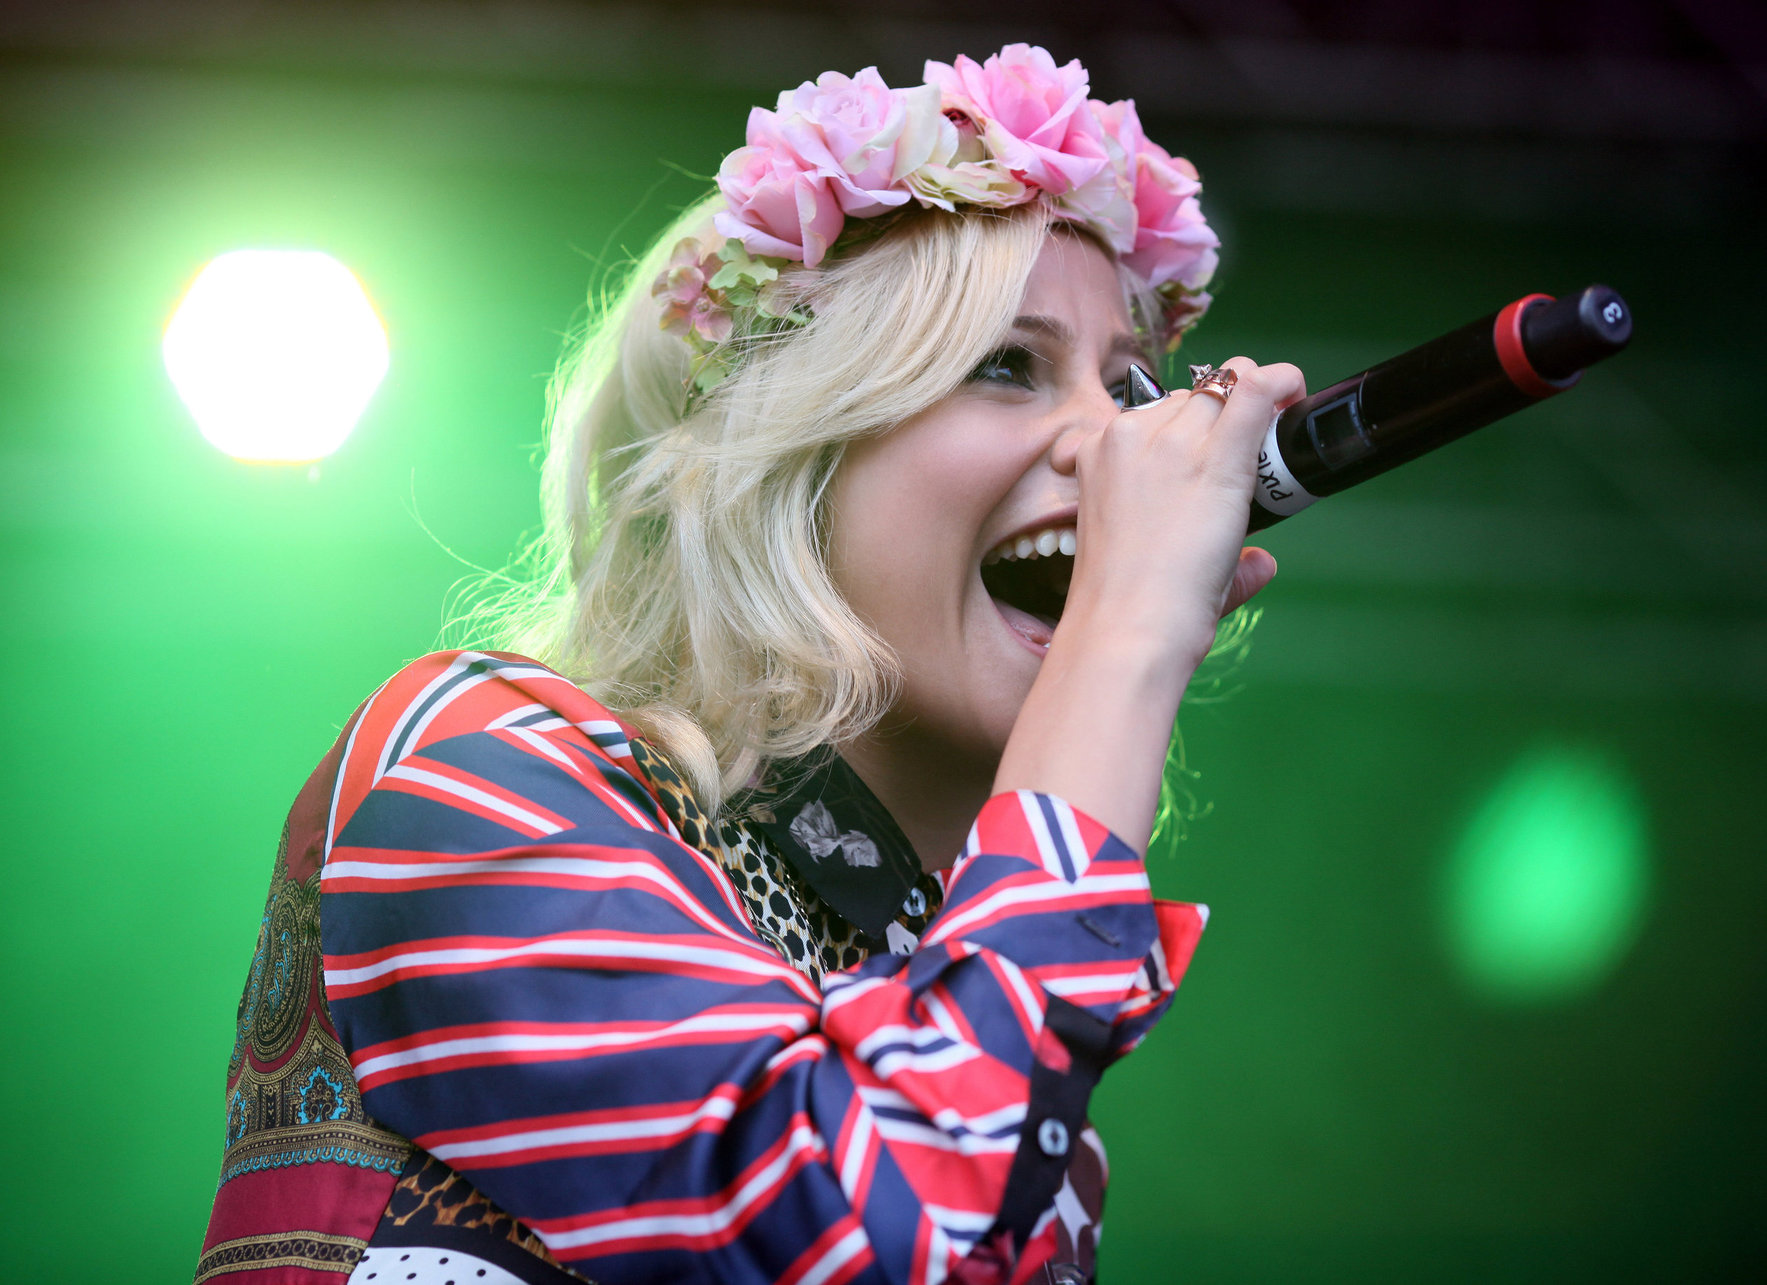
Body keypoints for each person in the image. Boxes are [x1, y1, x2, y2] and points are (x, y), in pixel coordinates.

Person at [194, 44, 1304, 1285]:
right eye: (1007, 364)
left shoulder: (946, 1011)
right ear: (791, 459)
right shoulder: (480, 768)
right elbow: (875, 1242)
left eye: (1131, 385)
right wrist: (1127, 632)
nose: (1119, 444)